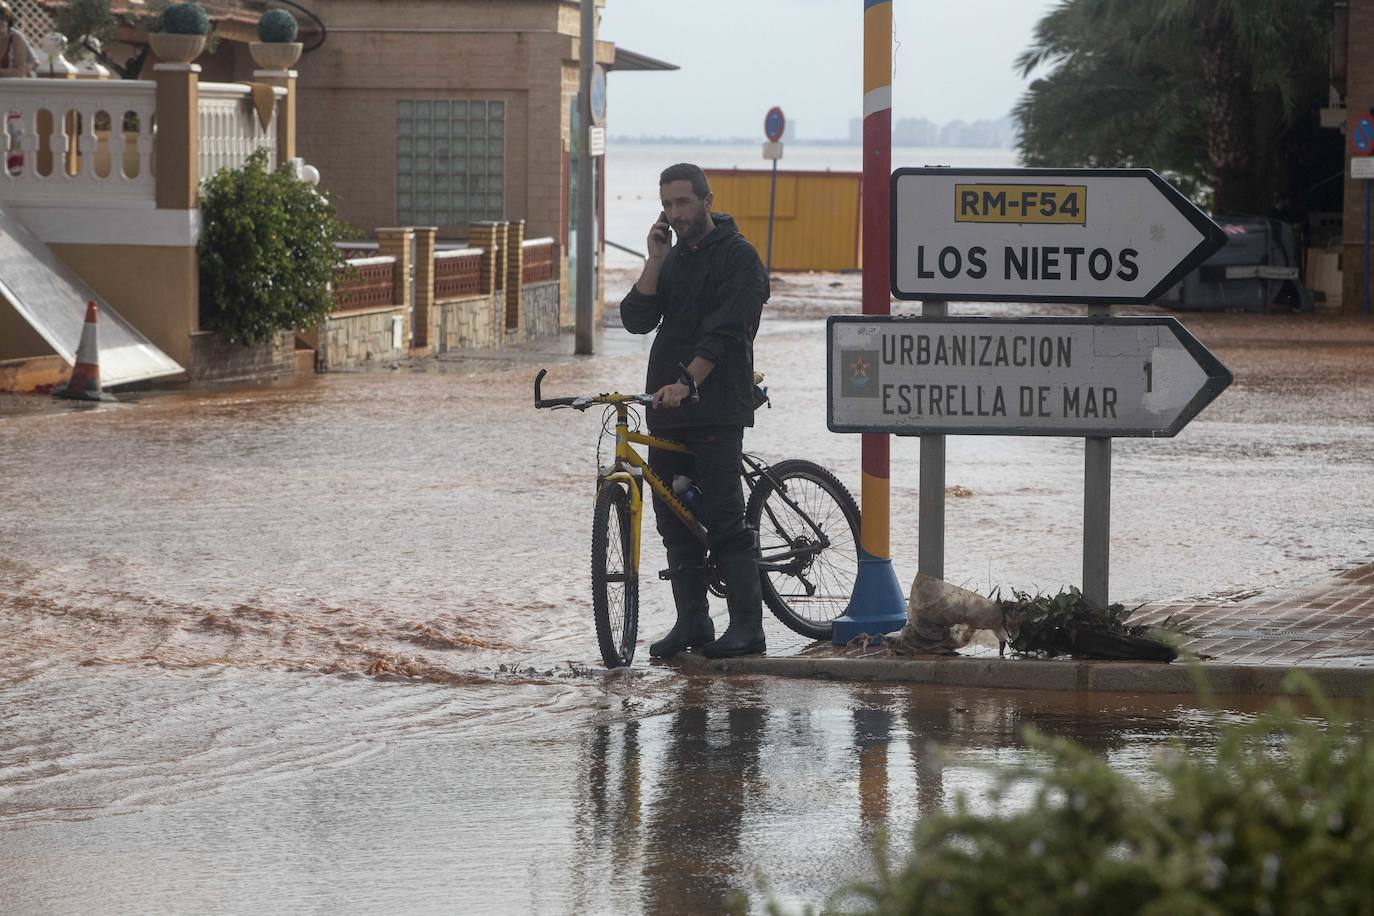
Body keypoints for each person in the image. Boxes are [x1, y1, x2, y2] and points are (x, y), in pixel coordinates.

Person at [619, 163, 770, 659]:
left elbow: (728, 331)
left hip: (716, 405)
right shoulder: (676, 258)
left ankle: (748, 629)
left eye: (683, 202)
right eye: (666, 204)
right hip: (667, 408)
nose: (675, 213)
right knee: (674, 519)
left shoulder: (740, 258)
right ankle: (693, 624)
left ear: (708, 200)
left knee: (725, 518)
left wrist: (687, 381)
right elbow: (637, 320)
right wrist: (655, 259)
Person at [0, 2, 34, 79]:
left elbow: (20, 72)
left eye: (5, 17)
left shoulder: (16, 38)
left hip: (14, 87)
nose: (2, 21)